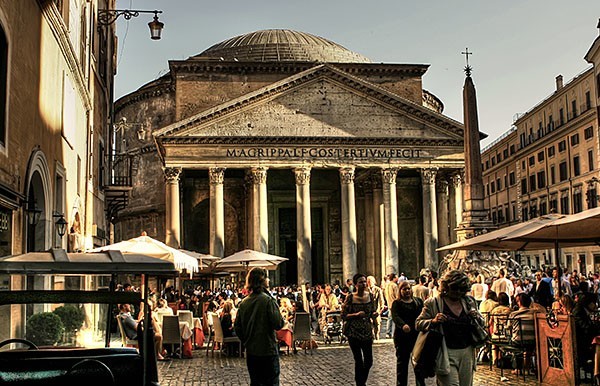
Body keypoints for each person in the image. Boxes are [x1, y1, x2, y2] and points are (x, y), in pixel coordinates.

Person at [416, 270, 486, 386]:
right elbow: (418, 323)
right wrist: (433, 321)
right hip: (445, 351)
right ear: (446, 287)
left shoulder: (469, 301)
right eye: (454, 289)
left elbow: (482, 323)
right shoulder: (434, 303)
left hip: (466, 351)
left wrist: (476, 316)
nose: (457, 292)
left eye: (461, 289)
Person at [234, 268, 284, 386]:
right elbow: (278, 324)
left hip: (252, 352)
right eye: (266, 277)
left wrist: (247, 342)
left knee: (256, 383)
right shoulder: (268, 300)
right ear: (262, 280)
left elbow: (238, 327)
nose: (269, 280)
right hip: (268, 351)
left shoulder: (244, 303)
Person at [341, 273, 378, 386]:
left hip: (366, 331)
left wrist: (374, 316)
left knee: (368, 361)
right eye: (360, 282)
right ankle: (360, 384)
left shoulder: (370, 296)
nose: (363, 284)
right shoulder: (350, 297)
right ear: (356, 284)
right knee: (358, 360)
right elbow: (343, 315)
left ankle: (361, 382)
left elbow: (372, 311)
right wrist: (356, 314)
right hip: (354, 332)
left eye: (364, 281)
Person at [391, 280, 425, 386]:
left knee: (418, 364)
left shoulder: (418, 301)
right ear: (400, 291)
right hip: (402, 338)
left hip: (416, 336)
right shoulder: (397, 303)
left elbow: (423, 314)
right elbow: (395, 316)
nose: (407, 291)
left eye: (408, 288)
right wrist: (403, 325)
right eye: (404, 289)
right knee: (402, 364)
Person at [367, 275, 385, 340]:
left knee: (377, 324)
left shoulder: (378, 289)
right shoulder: (366, 290)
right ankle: (371, 336)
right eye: (368, 281)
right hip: (368, 310)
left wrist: (381, 307)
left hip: (376, 309)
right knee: (370, 324)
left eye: (370, 281)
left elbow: (381, 299)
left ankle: (377, 335)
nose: (369, 282)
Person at [384, 273, 399, 338]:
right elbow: (397, 295)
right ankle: (393, 333)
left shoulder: (387, 285)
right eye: (396, 277)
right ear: (394, 278)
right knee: (395, 319)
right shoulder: (394, 285)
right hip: (395, 303)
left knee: (389, 319)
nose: (397, 278)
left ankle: (388, 333)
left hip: (389, 303)